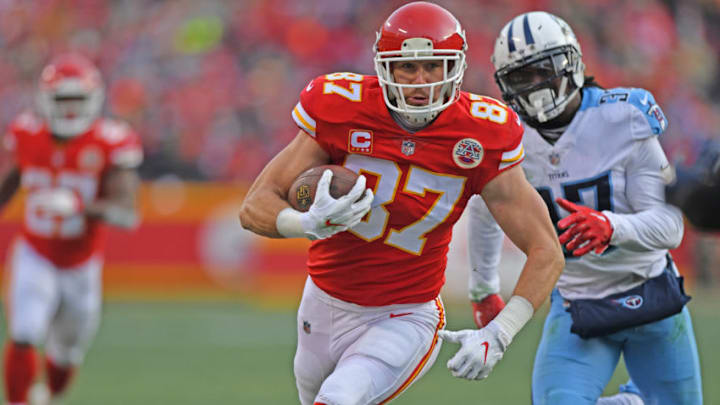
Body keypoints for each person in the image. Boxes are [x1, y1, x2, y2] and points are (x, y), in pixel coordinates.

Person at [239, 2, 564, 403]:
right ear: (384, 67)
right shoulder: (342, 107)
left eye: (433, 66)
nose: (420, 80)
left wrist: (501, 333)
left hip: (404, 314)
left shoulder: (481, 133)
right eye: (407, 67)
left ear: (455, 69)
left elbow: (546, 250)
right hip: (322, 302)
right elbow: (254, 206)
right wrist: (306, 224)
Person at [464, 11, 703, 405]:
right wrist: (483, 288)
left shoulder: (624, 116)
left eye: (545, 70)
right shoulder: (508, 137)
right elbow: (488, 209)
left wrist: (612, 227)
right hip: (578, 305)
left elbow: (670, 226)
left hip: (651, 298)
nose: (537, 87)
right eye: (522, 77)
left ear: (572, 63)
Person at [0, 53, 143, 405]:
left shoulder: (111, 141)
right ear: (45, 100)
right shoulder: (26, 134)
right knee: (24, 332)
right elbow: (9, 183)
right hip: (36, 252)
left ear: (93, 100)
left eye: (76, 100)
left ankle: (46, 396)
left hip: (82, 266)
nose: (68, 110)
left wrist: (81, 207)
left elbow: (127, 213)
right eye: (62, 100)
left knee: (65, 356)